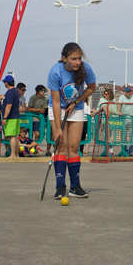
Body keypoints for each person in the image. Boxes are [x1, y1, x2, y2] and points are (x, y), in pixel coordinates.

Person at [47, 42, 96, 199]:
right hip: (58, 108)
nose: (77, 62)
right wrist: (57, 128)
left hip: (76, 107)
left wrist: (76, 102)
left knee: (74, 146)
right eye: (73, 59)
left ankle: (75, 186)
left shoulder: (86, 69)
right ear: (64, 58)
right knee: (62, 146)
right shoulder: (55, 72)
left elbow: (92, 88)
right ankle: (60, 186)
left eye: (79, 58)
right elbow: (55, 101)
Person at [117, 87, 133, 157]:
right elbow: (119, 104)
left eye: (130, 92)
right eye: (128, 92)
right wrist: (119, 111)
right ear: (124, 92)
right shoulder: (122, 97)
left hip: (131, 120)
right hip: (123, 120)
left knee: (132, 137)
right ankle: (124, 150)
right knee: (123, 137)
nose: (129, 93)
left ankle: (131, 151)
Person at [1, 75, 20, 158]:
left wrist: (5, 117)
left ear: (6, 83)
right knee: (15, 135)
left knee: (11, 136)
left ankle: (12, 154)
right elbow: (3, 96)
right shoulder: (15, 91)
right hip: (15, 116)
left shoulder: (10, 92)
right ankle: (16, 154)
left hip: (11, 117)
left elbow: (8, 105)